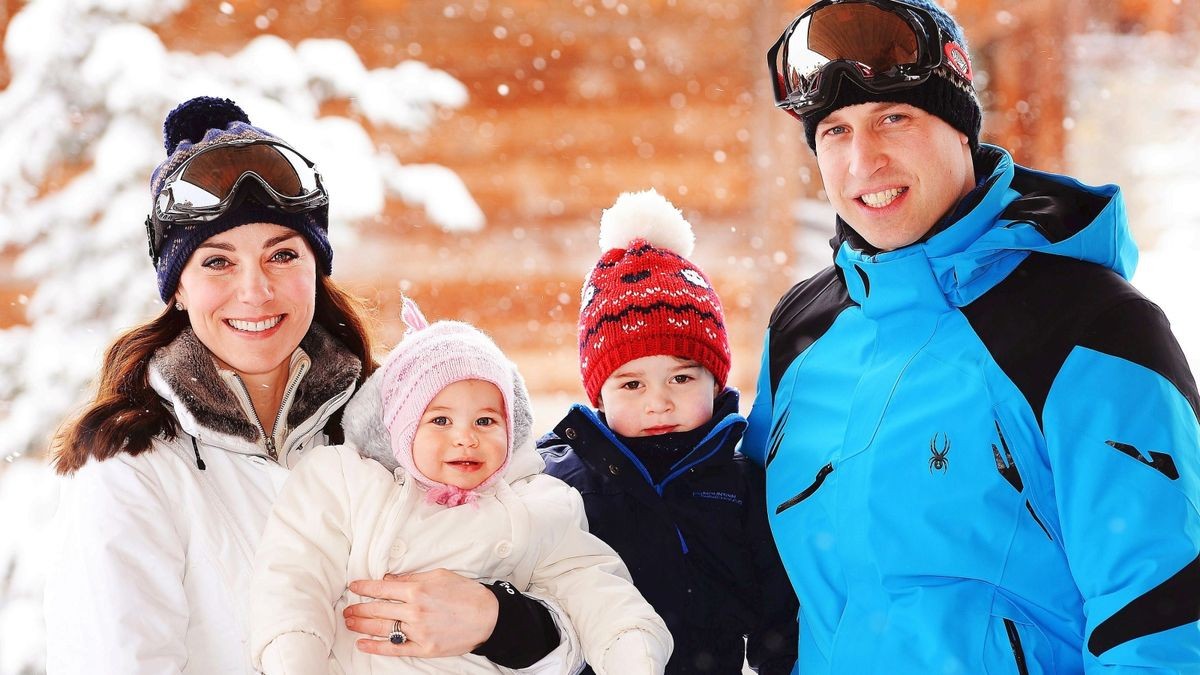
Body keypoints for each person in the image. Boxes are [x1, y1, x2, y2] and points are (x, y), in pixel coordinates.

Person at [42, 96, 573, 674]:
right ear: (177, 288)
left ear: (315, 270)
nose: (255, 291)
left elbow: (564, 593)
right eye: (217, 262)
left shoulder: (398, 424)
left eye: (282, 255)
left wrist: (505, 624)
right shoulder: (133, 467)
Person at [745, 1, 1200, 672]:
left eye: (893, 118)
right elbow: (760, 587)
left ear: (959, 129)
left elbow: (1162, 621)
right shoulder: (801, 335)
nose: (863, 159)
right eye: (835, 131)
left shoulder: (1088, 329)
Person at [250, 299, 672, 674]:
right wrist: (294, 655)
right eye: (440, 420)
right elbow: (294, 575)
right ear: (400, 427)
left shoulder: (535, 504)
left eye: (486, 421)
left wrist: (631, 648)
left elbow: (592, 587)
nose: (465, 437)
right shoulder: (349, 483)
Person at [539, 189, 800, 674]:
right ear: (600, 395)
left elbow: (779, 620)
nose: (658, 402)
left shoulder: (741, 484)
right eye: (632, 383)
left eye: (681, 378)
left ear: (715, 379)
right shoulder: (561, 485)